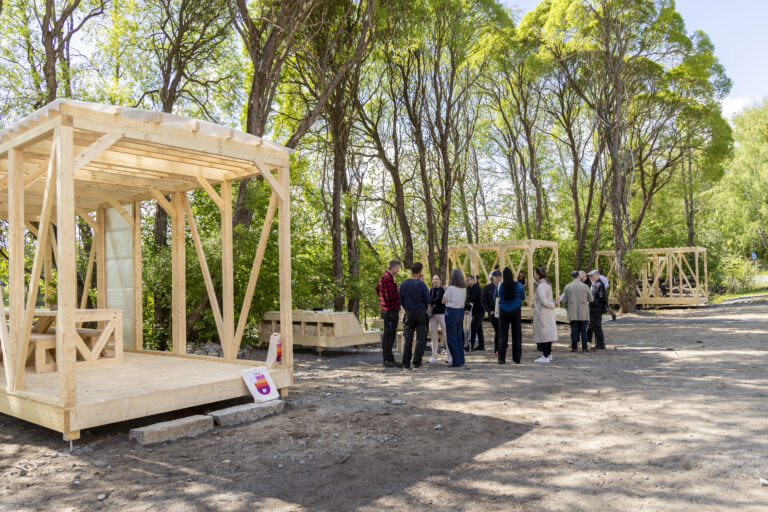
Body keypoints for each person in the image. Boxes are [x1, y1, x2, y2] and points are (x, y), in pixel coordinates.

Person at [399, 262, 431, 369]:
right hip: (421, 313)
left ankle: (406, 363)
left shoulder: (403, 284)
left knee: (408, 339)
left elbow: (401, 300)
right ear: (420, 271)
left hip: (409, 313)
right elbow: (428, 300)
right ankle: (417, 362)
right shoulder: (421, 284)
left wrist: (407, 308)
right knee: (421, 339)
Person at [494, 267, 526, 364]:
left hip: (503, 311)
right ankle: (517, 358)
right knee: (517, 335)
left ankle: (501, 358)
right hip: (516, 310)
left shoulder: (500, 286)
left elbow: (495, 297)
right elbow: (523, 297)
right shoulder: (519, 285)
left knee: (503, 335)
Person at [560, 270, 594, 353]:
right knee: (584, 331)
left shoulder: (568, 287)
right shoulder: (585, 286)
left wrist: (568, 307)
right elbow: (591, 299)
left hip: (573, 311)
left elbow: (564, 301)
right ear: (579, 277)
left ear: (572, 278)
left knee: (574, 331)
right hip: (583, 312)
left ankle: (574, 348)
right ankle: (585, 348)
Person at [376, 259, 401, 367]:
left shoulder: (383, 277)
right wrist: (400, 295)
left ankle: (389, 358)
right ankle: (387, 360)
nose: (398, 270)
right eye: (398, 268)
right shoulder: (388, 279)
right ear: (393, 267)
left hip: (387, 309)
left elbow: (378, 289)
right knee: (389, 334)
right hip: (390, 311)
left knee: (388, 334)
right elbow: (390, 295)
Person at [442, 268, 467, 367]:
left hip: (451, 312)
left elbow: (443, 301)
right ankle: (461, 359)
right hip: (460, 311)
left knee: (451, 337)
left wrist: (445, 291)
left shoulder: (450, 288)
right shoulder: (463, 288)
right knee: (459, 336)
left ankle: (456, 361)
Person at [533, 266, 558, 363]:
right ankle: (548, 354)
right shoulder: (547, 283)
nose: (534, 276)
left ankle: (545, 355)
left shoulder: (541, 285)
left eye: (535, 274)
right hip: (547, 312)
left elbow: (543, 301)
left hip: (542, 312)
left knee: (544, 334)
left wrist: (552, 304)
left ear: (538, 275)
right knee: (548, 333)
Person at [428, 274, 449, 364]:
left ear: (440, 281)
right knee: (433, 336)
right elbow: (429, 302)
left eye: (437, 279)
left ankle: (449, 355)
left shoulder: (443, 290)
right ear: (432, 281)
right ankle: (434, 355)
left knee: (446, 334)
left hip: (442, 314)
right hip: (433, 315)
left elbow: (445, 301)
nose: (435, 281)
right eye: (434, 279)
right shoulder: (430, 290)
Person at [482, 270, 502, 356]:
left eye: (499, 276)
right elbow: (483, 301)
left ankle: (502, 347)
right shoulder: (487, 288)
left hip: (503, 312)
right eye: (496, 276)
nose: (497, 278)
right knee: (498, 330)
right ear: (492, 277)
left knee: (501, 330)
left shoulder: (503, 286)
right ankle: (497, 349)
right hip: (493, 312)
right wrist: (489, 311)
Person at [587, 269, 608, 350]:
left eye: (592, 276)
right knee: (594, 326)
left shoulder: (599, 284)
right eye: (590, 276)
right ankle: (598, 343)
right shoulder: (594, 284)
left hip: (596, 309)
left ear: (597, 276)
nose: (590, 277)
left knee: (597, 327)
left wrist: (602, 306)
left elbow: (603, 297)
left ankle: (601, 344)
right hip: (593, 308)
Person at [464, 274, 485, 351]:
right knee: (479, 329)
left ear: (473, 280)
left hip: (480, 311)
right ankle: (481, 346)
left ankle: (471, 345)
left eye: (468, 280)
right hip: (475, 311)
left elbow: (472, 299)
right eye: (466, 280)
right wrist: (465, 308)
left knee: (473, 327)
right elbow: (467, 299)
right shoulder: (468, 288)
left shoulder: (476, 288)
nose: (467, 281)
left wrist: (468, 309)